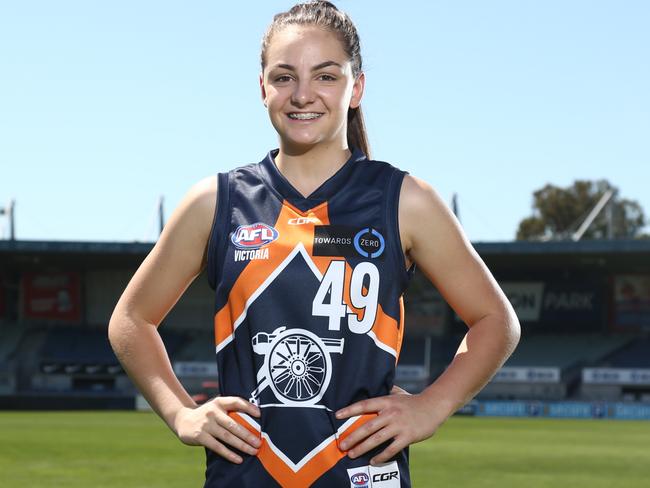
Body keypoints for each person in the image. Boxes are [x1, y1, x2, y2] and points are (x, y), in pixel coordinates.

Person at [108, 1, 521, 487]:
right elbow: (131, 320)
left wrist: (431, 406)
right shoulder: (216, 202)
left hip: (363, 477)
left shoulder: (404, 201)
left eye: (325, 76)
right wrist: (181, 414)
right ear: (262, 88)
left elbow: (497, 321)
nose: (302, 94)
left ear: (357, 87)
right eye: (284, 77)